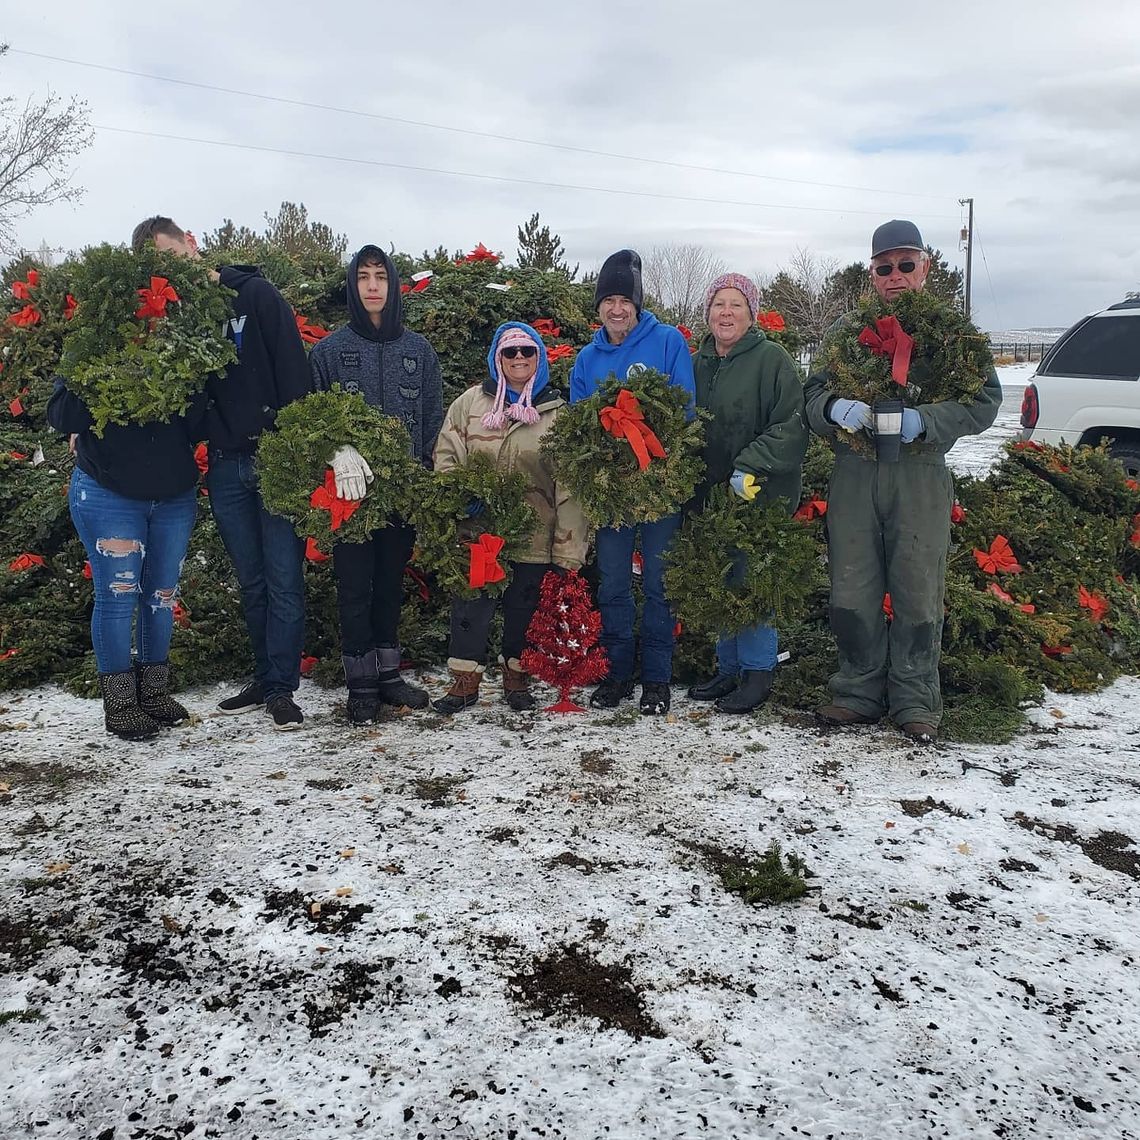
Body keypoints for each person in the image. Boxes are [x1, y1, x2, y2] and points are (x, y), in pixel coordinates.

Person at [803, 219, 1002, 743]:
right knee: (851, 586)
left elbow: (983, 402)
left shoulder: (952, 335)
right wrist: (832, 408)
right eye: (883, 267)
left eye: (905, 264)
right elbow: (810, 397)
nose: (895, 275)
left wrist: (927, 421)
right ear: (872, 273)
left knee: (917, 588)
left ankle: (916, 697)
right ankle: (856, 690)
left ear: (925, 267)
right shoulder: (847, 332)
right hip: (853, 472)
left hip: (918, 474)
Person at [131, 217, 313, 731]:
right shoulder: (182, 319)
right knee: (252, 582)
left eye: (172, 257)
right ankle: (264, 675)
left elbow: (293, 374)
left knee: (283, 580)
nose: (171, 271)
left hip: (276, 459)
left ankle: (282, 687)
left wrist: (296, 449)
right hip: (228, 466)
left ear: (191, 241)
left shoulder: (256, 296)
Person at [308, 245, 444, 723]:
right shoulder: (327, 352)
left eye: (380, 277)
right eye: (363, 276)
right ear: (353, 284)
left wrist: (423, 478)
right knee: (353, 586)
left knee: (390, 582)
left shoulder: (419, 352)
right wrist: (334, 452)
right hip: (349, 495)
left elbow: (431, 419)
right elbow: (312, 418)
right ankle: (359, 680)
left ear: (393, 285)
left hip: (402, 493)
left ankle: (388, 674)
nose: (372, 285)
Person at [432, 322, 588, 714]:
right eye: (510, 352)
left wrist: (568, 549)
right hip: (480, 531)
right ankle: (465, 679)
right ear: (496, 358)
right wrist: (459, 496)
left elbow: (570, 486)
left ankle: (517, 677)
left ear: (540, 357)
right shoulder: (470, 404)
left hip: (534, 532)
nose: (519, 358)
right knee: (472, 604)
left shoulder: (557, 414)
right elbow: (447, 455)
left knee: (524, 606)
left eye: (527, 351)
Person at [569, 249, 696, 716]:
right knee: (614, 583)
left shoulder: (666, 342)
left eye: (625, 300)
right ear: (598, 306)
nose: (617, 309)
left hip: (659, 486)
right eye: (609, 300)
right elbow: (579, 422)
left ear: (637, 305)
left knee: (661, 583)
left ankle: (657, 679)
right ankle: (618, 672)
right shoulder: (586, 358)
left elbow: (683, 408)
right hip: (612, 492)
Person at [47, 379, 204, 740]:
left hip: (173, 493)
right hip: (108, 491)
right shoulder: (94, 342)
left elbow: (199, 422)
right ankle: (120, 705)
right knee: (117, 598)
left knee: (162, 597)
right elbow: (63, 414)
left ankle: (153, 693)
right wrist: (95, 374)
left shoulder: (182, 341)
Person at [688, 272, 808, 713]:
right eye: (719, 304)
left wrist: (750, 464)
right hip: (710, 495)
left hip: (761, 493)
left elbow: (791, 424)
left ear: (751, 314)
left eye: (736, 304)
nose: (726, 312)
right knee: (720, 574)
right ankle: (728, 668)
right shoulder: (697, 363)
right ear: (708, 313)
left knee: (751, 578)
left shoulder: (771, 359)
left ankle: (758, 671)